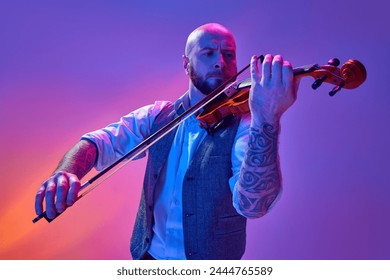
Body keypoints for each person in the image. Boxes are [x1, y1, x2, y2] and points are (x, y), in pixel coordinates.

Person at [34, 23, 298, 260]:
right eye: (208, 53)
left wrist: (267, 118)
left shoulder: (245, 124)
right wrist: (65, 172)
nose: (220, 62)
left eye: (228, 54)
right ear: (186, 63)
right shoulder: (157, 116)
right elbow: (98, 142)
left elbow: (254, 205)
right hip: (148, 259)